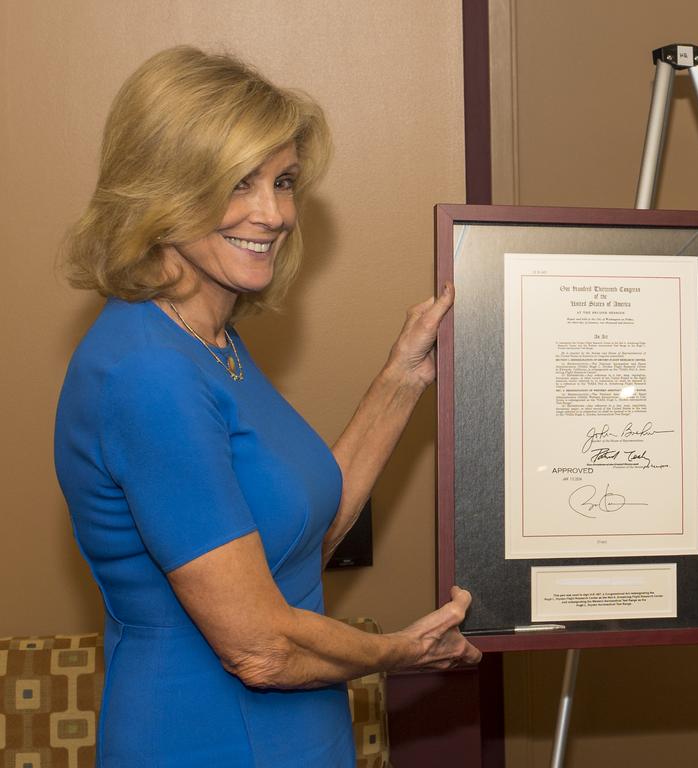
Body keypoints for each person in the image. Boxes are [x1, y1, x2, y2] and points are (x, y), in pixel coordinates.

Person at [53, 46, 481, 766]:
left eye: (282, 182)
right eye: (236, 183)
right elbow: (259, 648)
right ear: (161, 188)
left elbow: (296, 539)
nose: (274, 213)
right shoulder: (149, 371)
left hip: (294, 728)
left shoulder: (209, 339)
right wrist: (401, 653)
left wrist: (404, 376)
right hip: (207, 735)